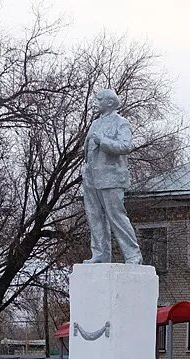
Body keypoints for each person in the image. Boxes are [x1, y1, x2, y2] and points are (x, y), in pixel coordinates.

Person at [82, 89, 142, 264]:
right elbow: (87, 149)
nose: (95, 102)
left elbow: (126, 146)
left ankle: (133, 255)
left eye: (99, 99)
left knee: (116, 216)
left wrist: (104, 142)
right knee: (94, 216)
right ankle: (100, 254)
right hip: (91, 176)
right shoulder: (95, 123)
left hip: (111, 176)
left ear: (109, 102)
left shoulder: (121, 123)